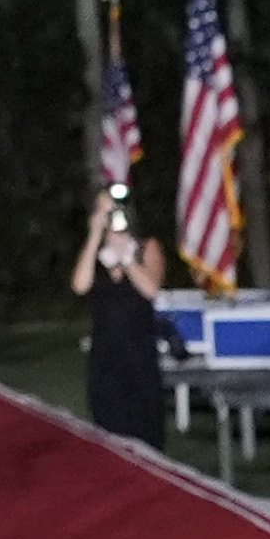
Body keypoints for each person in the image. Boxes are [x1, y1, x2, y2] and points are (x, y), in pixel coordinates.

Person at [71, 188, 171, 446]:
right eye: (105, 210)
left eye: (116, 209)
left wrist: (126, 256)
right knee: (109, 434)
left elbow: (151, 289)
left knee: (146, 431)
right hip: (105, 358)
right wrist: (95, 235)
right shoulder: (96, 252)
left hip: (140, 355)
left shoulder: (146, 247)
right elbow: (80, 285)